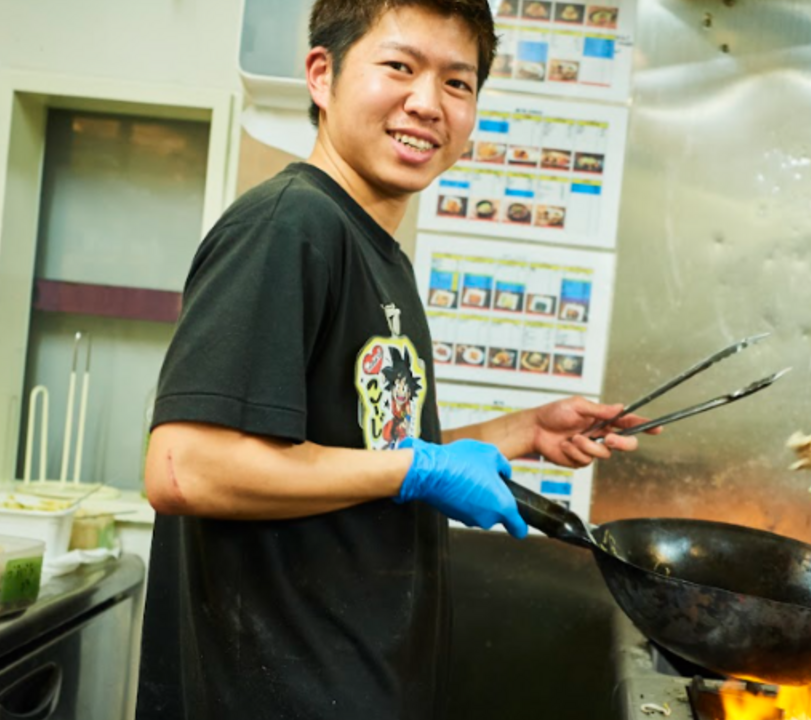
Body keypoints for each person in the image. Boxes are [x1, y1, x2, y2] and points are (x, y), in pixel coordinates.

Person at [134, 1, 650, 717]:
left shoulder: (378, 253)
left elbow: (357, 459)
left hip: (363, 682)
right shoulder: (290, 224)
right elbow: (184, 467)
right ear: (323, 74)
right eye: (400, 67)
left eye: (457, 83)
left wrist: (523, 431)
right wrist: (422, 468)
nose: (427, 104)